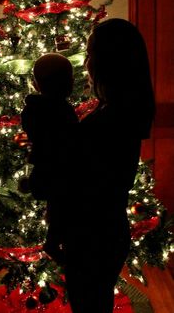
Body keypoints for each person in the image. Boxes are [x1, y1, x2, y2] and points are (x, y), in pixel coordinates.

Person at [63, 18, 155, 313]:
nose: (86, 63)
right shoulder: (122, 109)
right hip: (106, 230)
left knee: (89, 302)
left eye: (91, 54)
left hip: (94, 235)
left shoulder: (111, 120)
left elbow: (85, 182)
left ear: (108, 62)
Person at [21, 52, 78, 264]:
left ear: (36, 85)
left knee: (56, 207)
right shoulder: (64, 110)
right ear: (70, 84)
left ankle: (53, 242)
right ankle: (53, 243)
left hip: (45, 168)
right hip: (59, 169)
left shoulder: (32, 109)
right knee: (60, 206)